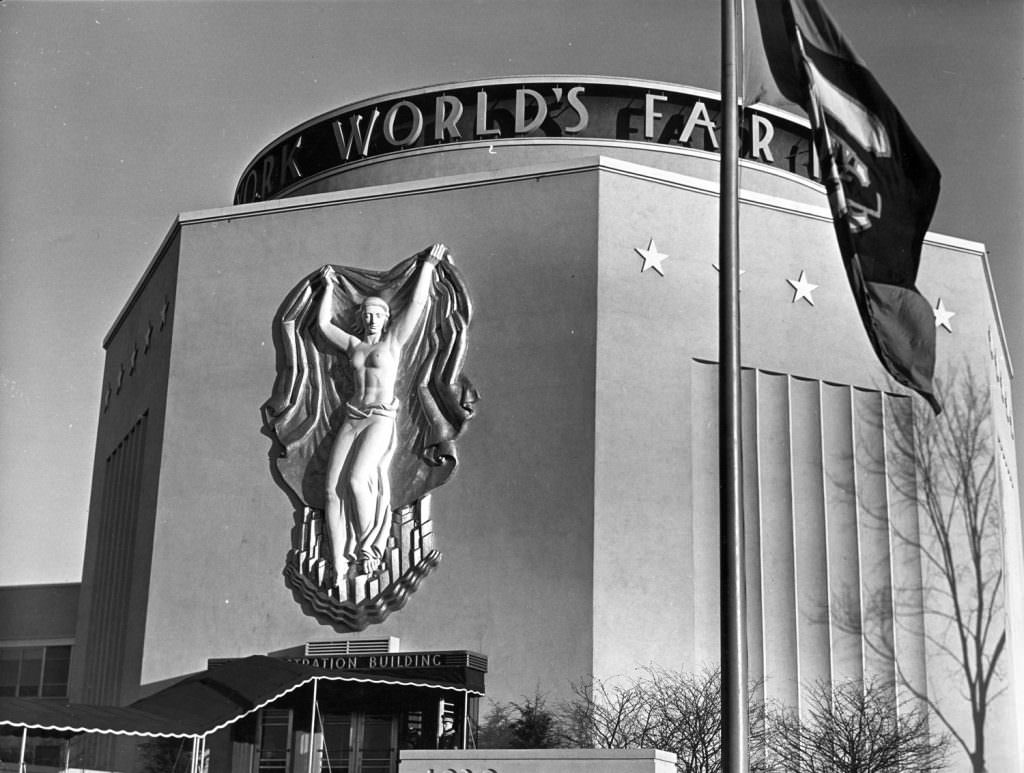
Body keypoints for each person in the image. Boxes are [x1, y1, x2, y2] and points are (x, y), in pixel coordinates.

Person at [314, 244, 446, 579]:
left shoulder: (392, 344)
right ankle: (339, 563)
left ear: (386, 318)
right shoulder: (354, 346)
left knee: (358, 481)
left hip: (380, 417)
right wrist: (328, 289)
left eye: (378, 313)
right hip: (354, 417)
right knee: (332, 490)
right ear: (361, 319)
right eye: (368, 313)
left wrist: (428, 268)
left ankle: (368, 550)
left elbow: (416, 305)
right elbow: (324, 326)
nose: (372, 318)